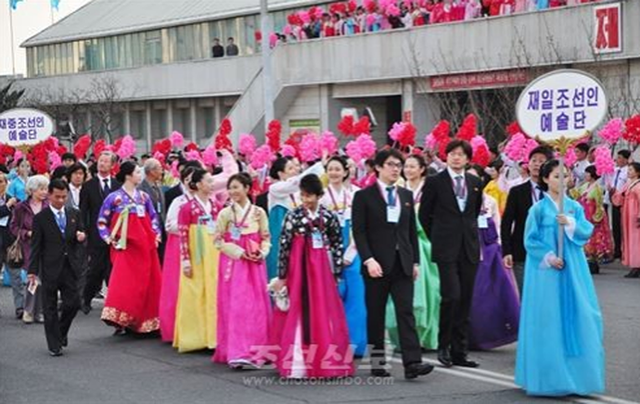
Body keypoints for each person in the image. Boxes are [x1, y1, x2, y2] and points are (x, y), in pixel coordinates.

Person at [515, 159, 605, 396]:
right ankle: (549, 378)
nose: (562, 181)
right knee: (548, 320)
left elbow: (586, 231)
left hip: (573, 267)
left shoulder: (573, 207)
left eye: (565, 176)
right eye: (556, 176)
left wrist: (571, 224)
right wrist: (549, 257)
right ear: (545, 179)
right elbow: (530, 240)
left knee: (583, 314)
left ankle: (577, 378)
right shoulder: (537, 210)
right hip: (546, 272)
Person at [353, 149, 434, 380]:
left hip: (402, 263)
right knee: (376, 314)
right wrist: (368, 260)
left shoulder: (405, 196)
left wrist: (415, 261)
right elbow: (359, 232)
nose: (396, 168)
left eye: (398, 164)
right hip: (376, 264)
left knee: (405, 312)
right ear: (378, 167)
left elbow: (411, 232)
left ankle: (413, 363)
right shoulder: (364, 196)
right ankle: (377, 363)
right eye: (390, 164)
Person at [270, 174, 353, 379]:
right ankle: (298, 361)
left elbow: (337, 245)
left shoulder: (328, 217)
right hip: (298, 269)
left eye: (310, 196)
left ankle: (325, 358)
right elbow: (284, 246)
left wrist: (336, 273)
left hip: (322, 270)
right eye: (303, 195)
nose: (306, 199)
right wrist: (282, 275)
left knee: (323, 309)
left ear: (319, 195)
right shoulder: (293, 216)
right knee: (299, 307)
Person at [419, 140, 483, 369]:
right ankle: (443, 345)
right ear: (446, 157)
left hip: (469, 248)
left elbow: (473, 214)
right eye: (452, 154)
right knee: (451, 296)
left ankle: (460, 351)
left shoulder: (475, 182)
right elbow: (424, 215)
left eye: (461, 154)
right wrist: (437, 238)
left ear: (468, 159)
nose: (456, 158)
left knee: (465, 299)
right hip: (445, 248)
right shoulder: (435, 181)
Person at [213, 173, 271, 368]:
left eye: (236, 187)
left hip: (254, 263)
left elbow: (266, 237)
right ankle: (237, 351)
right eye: (230, 188)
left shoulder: (258, 212)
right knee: (236, 305)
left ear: (247, 188)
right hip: (234, 262)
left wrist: (262, 253)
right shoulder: (225, 213)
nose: (232, 192)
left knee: (257, 306)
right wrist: (238, 252)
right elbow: (218, 240)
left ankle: (259, 348)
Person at [97, 161, 162, 335]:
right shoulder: (114, 198)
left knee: (148, 282)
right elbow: (102, 221)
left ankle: (147, 321)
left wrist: (156, 235)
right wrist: (109, 239)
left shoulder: (143, 197)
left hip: (146, 246)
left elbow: (154, 217)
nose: (140, 176)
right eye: (137, 172)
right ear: (128, 175)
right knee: (125, 283)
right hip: (125, 247)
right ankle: (123, 317)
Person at [386, 154, 440, 351]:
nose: (408, 170)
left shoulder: (429, 189)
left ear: (422, 169)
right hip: (403, 243)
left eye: (412, 166)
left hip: (425, 244)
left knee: (429, 291)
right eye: (405, 166)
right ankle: (403, 337)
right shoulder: (398, 189)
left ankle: (425, 335)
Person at [28, 179, 85, 356]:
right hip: (50, 267)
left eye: (64, 197)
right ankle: (54, 344)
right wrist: (32, 270)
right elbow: (36, 246)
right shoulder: (41, 218)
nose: (61, 200)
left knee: (73, 303)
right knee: (50, 306)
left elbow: (80, 234)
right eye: (57, 197)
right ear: (50, 195)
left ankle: (60, 331)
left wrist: (81, 236)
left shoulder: (74, 213)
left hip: (70, 266)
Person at [466, 165, 520, 350]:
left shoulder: (489, 201)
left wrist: (499, 250)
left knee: (489, 296)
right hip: (468, 251)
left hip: (489, 253)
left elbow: (497, 226)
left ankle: (488, 336)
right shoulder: (459, 201)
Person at [319, 156, 367, 357]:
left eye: (338, 169)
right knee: (332, 294)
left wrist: (352, 250)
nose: (334, 173)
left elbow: (362, 226)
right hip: (328, 249)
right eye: (330, 169)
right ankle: (332, 340)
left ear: (346, 171)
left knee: (356, 296)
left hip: (353, 248)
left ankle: (355, 342)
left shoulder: (356, 194)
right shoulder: (321, 197)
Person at [174, 168, 219, 352]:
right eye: (208, 181)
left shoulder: (216, 206)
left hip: (213, 254)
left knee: (212, 293)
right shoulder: (187, 208)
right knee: (194, 293)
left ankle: (212, 335)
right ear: (199, 184)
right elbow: (183, 235)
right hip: (196, 254)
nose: (211, 184)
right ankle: (194, 337)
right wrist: (185, 260)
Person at [501, 146, 554, 293]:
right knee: (526, 294)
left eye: (542, 161)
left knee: (547, 295)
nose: (537, 164)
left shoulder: (554, 192)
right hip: (522, 251)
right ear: (528, 164)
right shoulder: (517, 191)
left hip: (550, 251)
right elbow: (507, 222)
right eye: (534, 160)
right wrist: (506, 250)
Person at [266, 157, 323, 280]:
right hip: (280, 232)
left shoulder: (297, 193)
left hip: (298, 233)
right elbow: (295, 183)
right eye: (290, 168)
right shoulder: (275, 188)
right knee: (279, 264)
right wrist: (319, 165)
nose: (295, 170)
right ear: (280, 173)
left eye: (295, 167)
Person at [79, 151, 121, 314]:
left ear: (112, 165)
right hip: (96, 234)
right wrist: (83, 230)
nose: (102, 164)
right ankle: (86, 298)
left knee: (113, 270)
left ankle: (115, 302)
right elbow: (83, 211)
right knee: (95, 269)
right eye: (100, 161)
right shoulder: (88, 186)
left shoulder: (118, 185)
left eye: (105, 161)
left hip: (115, 234)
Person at [159, 166, 197, 343]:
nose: (191, 183)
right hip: (179, 245)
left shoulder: (207, 201)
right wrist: (189, 227)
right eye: (188, 179)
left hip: (200, 246)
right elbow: (169, 225)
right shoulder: (179, 202)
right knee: (178, 285)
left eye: (194, 179)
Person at [10, 175, 50, 324]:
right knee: (33, 279)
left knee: (44, 280)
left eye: (46, 188)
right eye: (41, 189)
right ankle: (28, 310)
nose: (44, 192)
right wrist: (26, 233)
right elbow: (13, 227)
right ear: (32, 190)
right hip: (29, 247)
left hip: (47, 247)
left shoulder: (48, 205)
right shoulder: (21, 207)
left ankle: (39, 311)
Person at [570, 165, 614, 274]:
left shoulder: (597, 188)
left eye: (587, 173)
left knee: (594, 240)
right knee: (587, 240)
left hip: (593, 216)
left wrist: (596, 218)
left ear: (593, 175)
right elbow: (576, 196)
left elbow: (599, 205)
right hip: (585, 216)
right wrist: (571, 187)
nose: (585, 175)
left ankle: (593, 263)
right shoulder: (584, 186)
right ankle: (588, 262)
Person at [613, 162, 640, 278]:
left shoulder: (638, 185)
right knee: (629, 238)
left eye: (631, 170)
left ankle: (637, 265)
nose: (628, 172)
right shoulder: (628, 183)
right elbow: (618, 198)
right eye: (628, 170)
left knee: (636, 239)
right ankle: (634, 265)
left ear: (638, 172)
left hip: (634, 214)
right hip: (627, 212)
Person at [0, 173, 21, 319]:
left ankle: (20, 307)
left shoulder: (13, 200)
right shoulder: (9, 203)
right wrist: (7, 207)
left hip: (10, 244)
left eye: (1, 181)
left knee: (16, 277)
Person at [139, 158, 166, 260]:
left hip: (161, 229)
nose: (162, 171)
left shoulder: (158, 187)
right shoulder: (141, 189)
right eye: (159, 168)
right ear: (152, 171)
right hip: (149, 230)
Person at [609, 150, 630, 260]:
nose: (618, 160)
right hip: (613, 199)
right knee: (615, 226)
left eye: (620, 157)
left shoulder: (628, 171)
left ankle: (625, 250)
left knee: (623, 226)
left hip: (623, 201)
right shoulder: (615, 170)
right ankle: (617, 250)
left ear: (626, 160)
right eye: (617, 157)